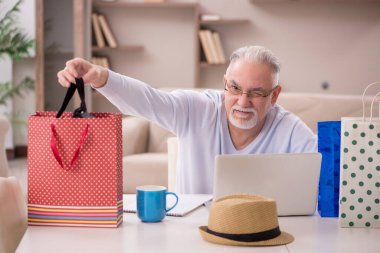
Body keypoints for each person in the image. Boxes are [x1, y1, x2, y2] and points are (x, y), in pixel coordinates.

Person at [57, 45, 317, 194]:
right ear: (225, 83)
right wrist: (100, 75)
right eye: (235, 88)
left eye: (257, 92)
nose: (243, 102)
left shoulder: (291, 130)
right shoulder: (198, 108)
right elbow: (148, 100)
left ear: (275, 95)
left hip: (261, 234)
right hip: (190, 231)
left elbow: (325, 177)